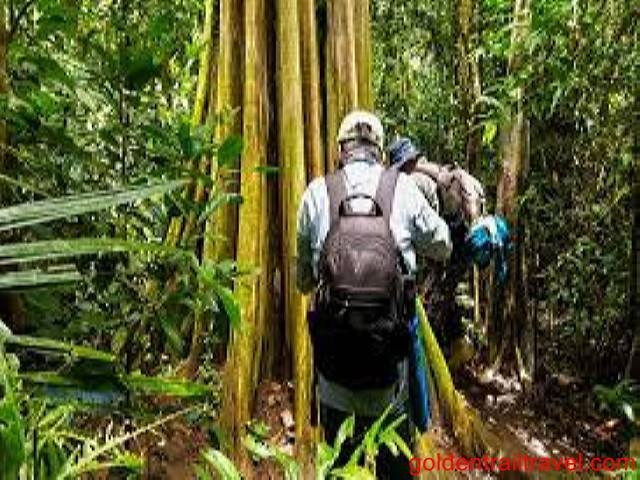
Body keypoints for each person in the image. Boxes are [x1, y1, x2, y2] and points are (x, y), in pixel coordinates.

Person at [296, 112, 452, 479]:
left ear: (340, 150)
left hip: (333, 383)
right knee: (395, 471)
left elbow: (303, 281)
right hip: (390, 384)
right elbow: (443, 244)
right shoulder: (403, 189)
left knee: (339, 468)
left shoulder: (316, 193)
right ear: (380, 151)